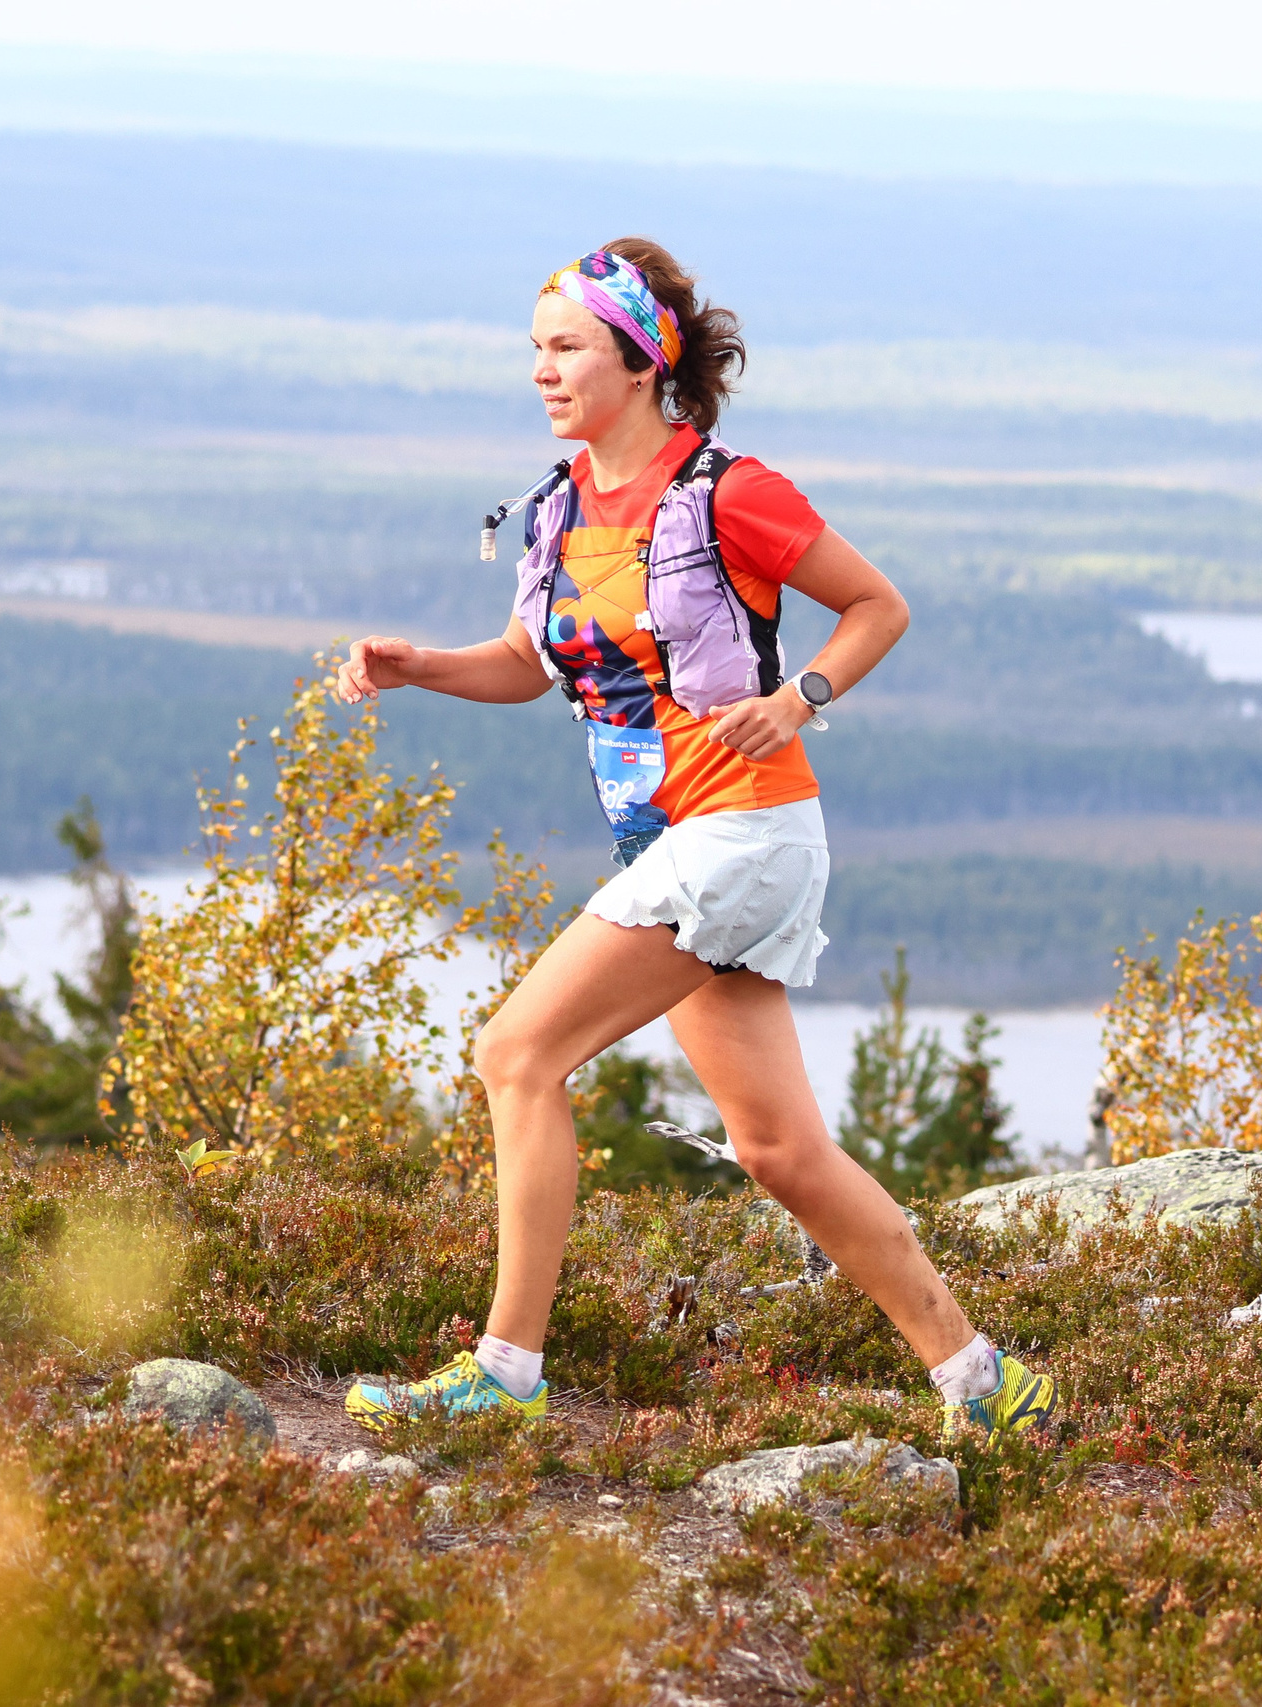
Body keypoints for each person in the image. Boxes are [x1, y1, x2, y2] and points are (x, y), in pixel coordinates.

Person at [330, 239, 1052, 1441]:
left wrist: (800, 698)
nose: (541, 372)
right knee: (778, 1151)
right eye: (534, 350)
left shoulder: (730, 493)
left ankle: (503, 1374)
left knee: (516, 1054)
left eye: (563, 348)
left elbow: (878, 605)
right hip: (669, 847)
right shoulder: (557, 508)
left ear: (640, 354)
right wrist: (420, 671)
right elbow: (525, 667)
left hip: (741, 833)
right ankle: (988, 1388)